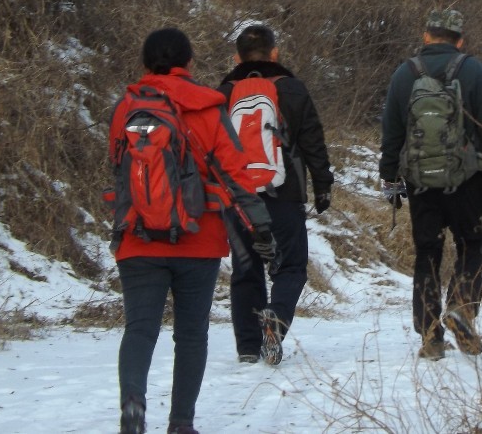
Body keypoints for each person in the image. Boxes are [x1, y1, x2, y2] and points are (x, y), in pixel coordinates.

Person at [110, 28, 278, 434]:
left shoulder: (126, 108)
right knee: (190, 335)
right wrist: (260, 227)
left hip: (138, 238)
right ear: (188, 62)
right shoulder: (208, 106)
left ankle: (133, 401)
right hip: (198, 241)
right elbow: (235, 175)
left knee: (140, 329)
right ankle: (181, 422)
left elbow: (120, 170)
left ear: (145, 63)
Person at [379, 8, 482, 360]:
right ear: (459, 40)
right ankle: (461, 308)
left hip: (421, 183)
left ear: (426, 37)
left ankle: (430, 336)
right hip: (467, 181)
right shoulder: (471, 70)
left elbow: (392, 134)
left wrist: (390, 177)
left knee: (427, 254)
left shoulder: (404, 74)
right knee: (471, 245)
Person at [219, 23, 335, 365]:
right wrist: (323, 184)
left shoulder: (223, 93)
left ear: (237, 57)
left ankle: (248, 348)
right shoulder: (293, 90)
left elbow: (212, 147)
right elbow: (313, 142)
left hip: (238, 195)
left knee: (246, 269)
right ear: (275, 54)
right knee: (291, 266)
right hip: (284, 193)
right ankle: (276, 317)